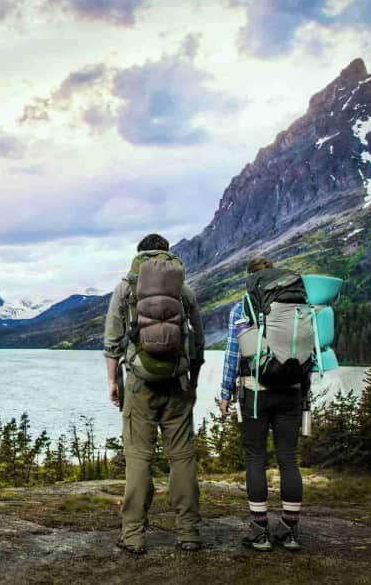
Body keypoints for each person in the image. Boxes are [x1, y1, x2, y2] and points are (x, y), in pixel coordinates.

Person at [104, 233, 205, 555]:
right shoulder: (183, 290)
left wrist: (113, 382)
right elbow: (198, 342)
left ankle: (133, 534)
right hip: (177, 383)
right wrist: (194, 381)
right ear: (167, 256)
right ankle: (188, 532)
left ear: (139, 255)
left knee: (138, 458)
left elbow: (112, 342)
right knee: (182, 458)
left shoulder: (126, 288)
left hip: (139, 384)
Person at [219, 255, 307, 552]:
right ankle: (290, 531)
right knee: (288, 459)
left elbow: (233, 354)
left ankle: (259, 532)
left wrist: (225, 393)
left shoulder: (242, 307)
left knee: (256, 459)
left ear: (251, 279)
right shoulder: (297, 306)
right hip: (292, 391)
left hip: (255, 392)